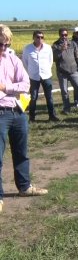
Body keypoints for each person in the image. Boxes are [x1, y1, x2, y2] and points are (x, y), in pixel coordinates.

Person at [0, 24, 48, 213]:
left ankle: (25, 187)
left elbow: (26, 84)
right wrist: (13, 86)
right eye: (0, 44)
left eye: (6, 44)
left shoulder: (13, 59)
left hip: (18, 112)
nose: (3, 48)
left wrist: (5, 88)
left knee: (22, 152)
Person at [22, 30, 59, 122]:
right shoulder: (27, 48)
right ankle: (32, 117)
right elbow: (25, 62)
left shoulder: (47, 48)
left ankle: (52, 116)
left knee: (49, 96)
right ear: (33, 38)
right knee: (33, 97)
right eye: (37, 37)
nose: (39, 39)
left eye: (41, 37)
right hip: (34, 77)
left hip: (46, 75)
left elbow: (50, 61)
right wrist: (31, 72)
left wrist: (45, 70)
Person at [52, 28, 78, 114]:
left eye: (66, 35)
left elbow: (77, 56)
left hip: (73, 70)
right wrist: (61, 50)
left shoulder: (72, 43)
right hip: (62, 71)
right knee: (64, 91)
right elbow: (54, 58)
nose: (64, 37)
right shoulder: (55, 45)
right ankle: (67, 109)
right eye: (62, 35)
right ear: (59, 35)